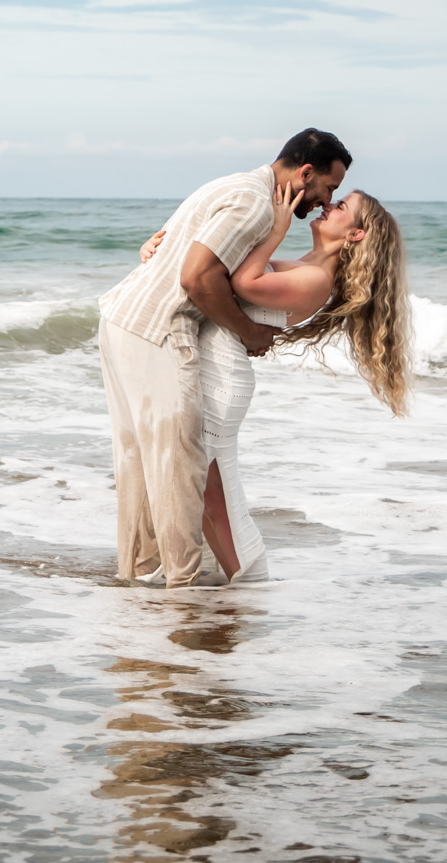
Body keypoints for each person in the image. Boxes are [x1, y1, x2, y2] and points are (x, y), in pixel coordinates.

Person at [96, 128, 352, 588]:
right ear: (306, 172)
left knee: (142, 464)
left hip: (124, 318)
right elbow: (198, 278)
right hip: (156, 328)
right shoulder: (255, 204)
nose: (325, 201)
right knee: (177, 467)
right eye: (329, 189)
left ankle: (139, 586)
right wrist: (251, 330)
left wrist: (158, 247)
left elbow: (203, 258)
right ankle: (181, 589)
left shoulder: (232, 184)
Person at [137, 187, 411, 583]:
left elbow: (245, 283)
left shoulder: (316, 278)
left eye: (342, 206)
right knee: (203, 488)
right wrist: (157, 251)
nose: (328, 206)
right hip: (215, 369)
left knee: (210, 492)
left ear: (355, 234)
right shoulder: (306, 265)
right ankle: (223, 580)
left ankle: (244, 581)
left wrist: (276, 228)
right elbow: (220, 275)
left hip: (223, 378)